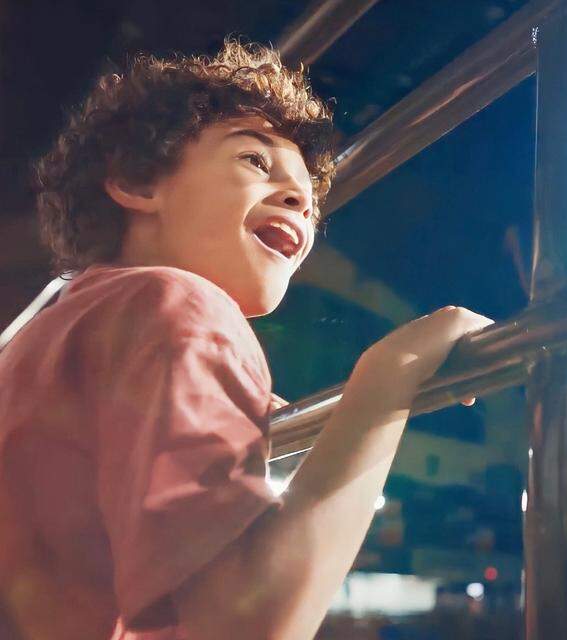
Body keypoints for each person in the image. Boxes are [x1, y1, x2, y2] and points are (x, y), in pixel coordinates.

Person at [0, 39, 492, 639]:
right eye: (255, 160)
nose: (300, 200)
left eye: (310, 202)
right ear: (136, 180)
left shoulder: (49, 335)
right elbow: (244, 624)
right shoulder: (179, 304)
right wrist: (391, 376)